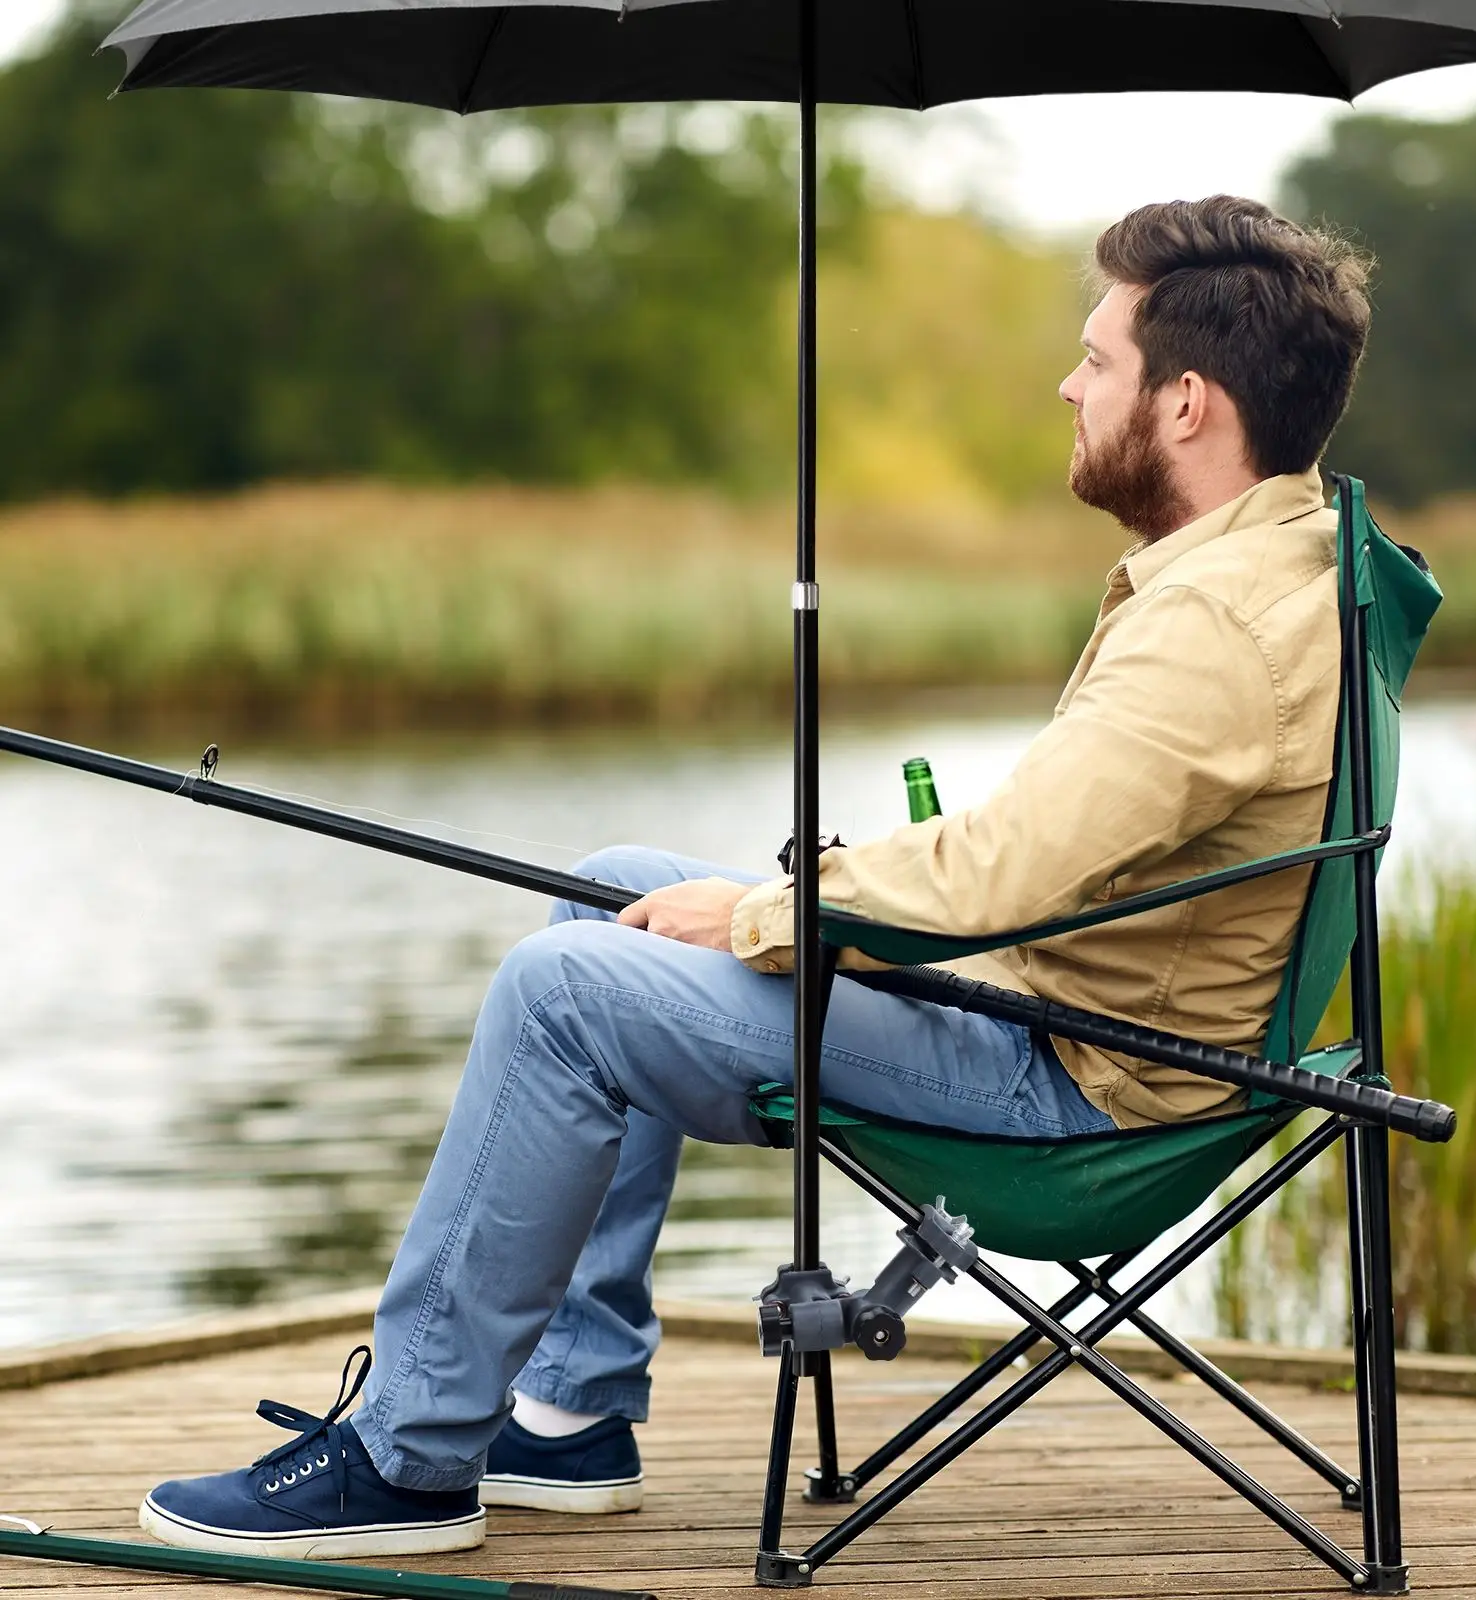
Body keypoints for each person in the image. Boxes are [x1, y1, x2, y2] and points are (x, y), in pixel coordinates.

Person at [138, 195, 1373, 1559]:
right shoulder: (1281, 565)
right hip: (1068, 1018)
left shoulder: (1215, 628)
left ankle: (408, 1457)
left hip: (1077, 1089)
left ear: (1188, 402)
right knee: (610, 884)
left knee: (563, 990)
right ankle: (569, 1409)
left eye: (1098, 359)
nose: (1068, 384)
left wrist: (769, 913)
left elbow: (1010, 867)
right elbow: (1047, 850)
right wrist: (810, 902)